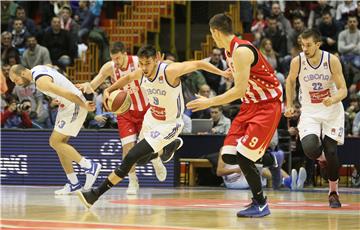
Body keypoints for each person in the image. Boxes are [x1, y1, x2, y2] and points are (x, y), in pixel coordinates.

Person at [77, 44, 231, 208]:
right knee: (141, 159)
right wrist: (109, 90)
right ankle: (166, 149)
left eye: (147, 63)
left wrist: (223, 73)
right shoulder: (141, 72)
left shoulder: (170, 71)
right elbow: (128, 78)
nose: (144, 67)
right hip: (151, 119)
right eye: (141, 63)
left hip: (169, 125)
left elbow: (198, 64)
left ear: (157, 58)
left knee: (130, 156)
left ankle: (94, 194)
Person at [187, 13, 283, 218]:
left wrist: (209, 101)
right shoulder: (228, 51)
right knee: (229, 155)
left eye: (211, 34)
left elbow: (238, 92)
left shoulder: (241, 51)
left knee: (244, 156)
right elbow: (244, 78)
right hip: (250, 105)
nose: (212, 38)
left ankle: (260, 203)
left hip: (266, 105)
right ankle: (273, 159)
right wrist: (230, 74)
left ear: (215, 32)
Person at [78, 42, 182, 195]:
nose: (116, 62)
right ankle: (133, 181)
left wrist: (167, 63)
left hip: (147, 109)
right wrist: (88, 87)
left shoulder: (139, 61)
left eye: (118, 58)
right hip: (125, 112)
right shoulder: (110, 67)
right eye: (113, 59)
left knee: (146, 146)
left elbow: (163, 65)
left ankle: (157, 159)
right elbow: (95, 82)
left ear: (125, 54)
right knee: (128, 150)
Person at [9, 64, 102, 195]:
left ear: (23, 74)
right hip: (66, 105)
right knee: (60, 145)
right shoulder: (37, 68)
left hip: (74, 104)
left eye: (16, 80)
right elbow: (55, 73)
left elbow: (65, 92)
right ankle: (74, 183)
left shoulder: (41, 82)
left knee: (55, 142)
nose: (16, 84)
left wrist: (84, 104)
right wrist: (57, 97)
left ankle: (89, 166)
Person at [285, 29, 347, 208]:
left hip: (332, 109)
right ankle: (321, 160)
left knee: (332, 151)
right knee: (310, 148)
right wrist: (289, 104)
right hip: (310, 111)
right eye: (302, 45)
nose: (304, 48)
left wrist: (333, 99)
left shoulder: (331, 60)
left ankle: (333, 192)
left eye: (308, 45)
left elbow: (343, 89)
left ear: (318, 44)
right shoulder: (297, 61)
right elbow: (290, 81)